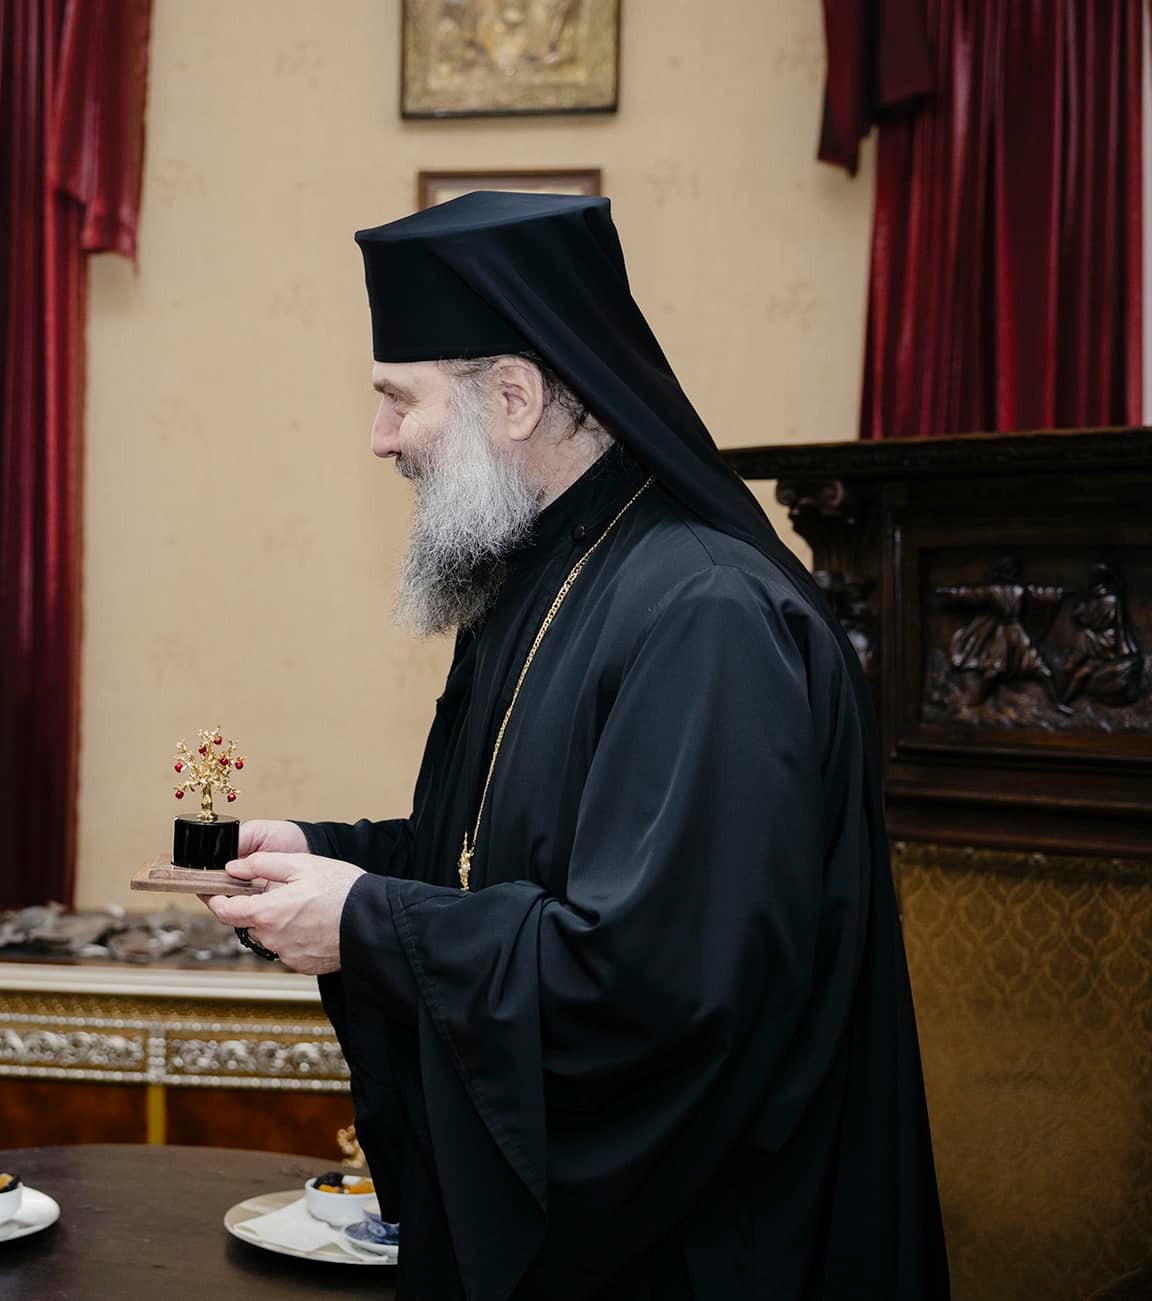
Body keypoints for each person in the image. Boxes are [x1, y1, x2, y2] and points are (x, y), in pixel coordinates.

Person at [208, 192, 949, 1299]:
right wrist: (325, 856)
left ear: (513, 396)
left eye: (398, 398)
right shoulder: (543, 573)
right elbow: (494, 854)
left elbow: (655, 984)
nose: (380, 438)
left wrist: (364, 921)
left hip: (699, 1250)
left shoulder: (707, 614)